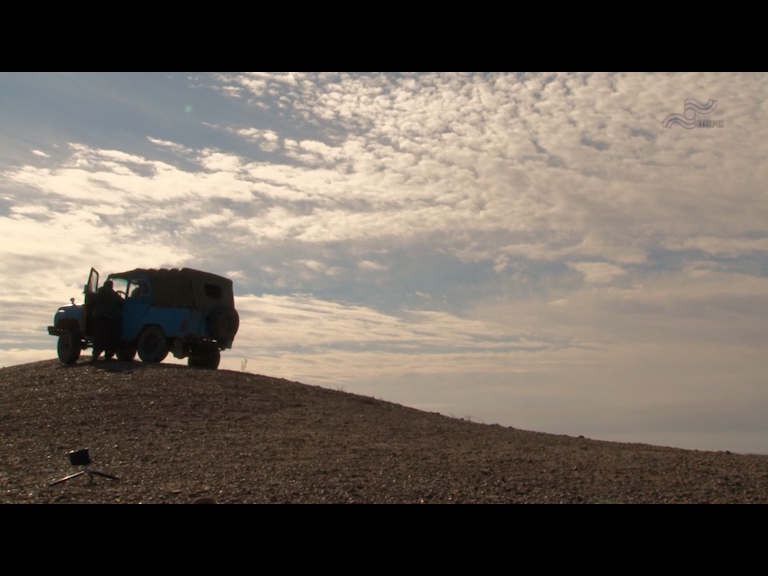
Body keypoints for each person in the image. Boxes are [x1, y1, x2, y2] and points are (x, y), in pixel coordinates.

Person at [90, 280, 124, 362]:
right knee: (110, 337)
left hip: (100, 317)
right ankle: (108, 355)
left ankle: (95, 355)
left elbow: (94, 300)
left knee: (98, 336)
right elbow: (122, 302)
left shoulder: (101, 292)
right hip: (112, 318)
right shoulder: (115, 295)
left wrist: (89, 294)